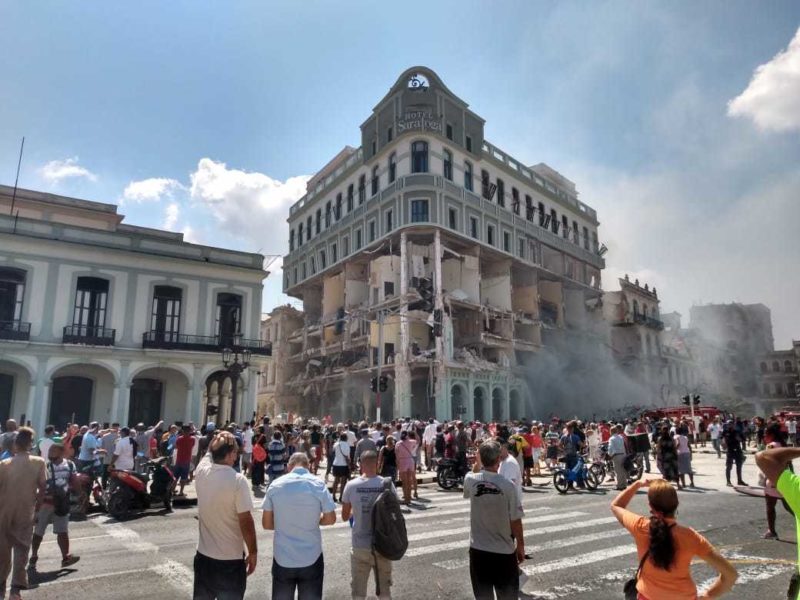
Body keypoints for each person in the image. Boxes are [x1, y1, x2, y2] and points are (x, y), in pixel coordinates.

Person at [611, 479, 737, 599]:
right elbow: (730, 575)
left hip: (647, 596)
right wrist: (709, 595)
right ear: (676, 504)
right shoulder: (691, 537)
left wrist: (638, 484)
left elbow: (616, 505)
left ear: (651, 506)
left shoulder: (640, 526)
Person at [262, 452, 336, 599]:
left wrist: (284, 522)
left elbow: (266, 524)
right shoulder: (318, 484)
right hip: (311, 556)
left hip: (283, 557)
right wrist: (316, 520)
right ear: (308, 466)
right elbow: (331, 519)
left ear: (289, 467)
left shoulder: (275, 485)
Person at [193, 431, 257, 600]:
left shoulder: (201, 473)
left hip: (203, 558)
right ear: (229, 455)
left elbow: (207, 455)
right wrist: (253, 551)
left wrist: (214, 440)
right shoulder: (238, 480)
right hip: (230, 561)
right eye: (235, 452)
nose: (236, 457)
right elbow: (246, 521)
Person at [463, 440, 525, 600]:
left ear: (481, 458)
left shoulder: (470, 480)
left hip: (478, 550)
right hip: (503, 551)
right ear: (498, 459)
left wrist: (478, 461)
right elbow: (516, 521)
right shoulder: (508, 486)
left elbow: (473, 473)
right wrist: (521, 546)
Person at [341, 450, 397, 600]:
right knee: (385, 592)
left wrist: (356, 511)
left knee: (358, 592)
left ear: (360, 465)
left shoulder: (351, 486)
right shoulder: (387, 484)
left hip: (360, 545)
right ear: (377, 464)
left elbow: (344, 516)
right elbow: (395, 513)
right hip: (383, 544)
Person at [0, 427, 46, 600]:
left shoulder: (3, 464)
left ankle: (1, 586)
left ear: (15, 446)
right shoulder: (38, 462)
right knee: (22, 548)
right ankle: (15, 590)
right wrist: (38, 508)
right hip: (25, 511)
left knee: (2, 549)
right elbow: (43, 487)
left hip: (4, 511)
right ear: (31, 444)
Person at [28, 444, 80, 570]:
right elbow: (37, 484)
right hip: (45, 503)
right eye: (50, 450)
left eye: (53, 450)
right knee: (38, 532)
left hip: (61, 503)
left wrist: (75, 492)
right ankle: (34, 555)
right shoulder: (44, 466)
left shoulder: (70, 465)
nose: (50, 452)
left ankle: (65, 557)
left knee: (62, 532)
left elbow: (74, 482)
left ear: (61, 452)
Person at [756, 424, 795, 540]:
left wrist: (763, 479)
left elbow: (768, 465)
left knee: (770, 507)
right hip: (786, 478)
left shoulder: (771, 447)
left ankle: (771, 531)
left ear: (771, 435)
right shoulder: (783, 445)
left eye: (765, 434)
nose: (763, 436)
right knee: (790, 506)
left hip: (773, 480)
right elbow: (789, 463)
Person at [722, 421, 747, 487]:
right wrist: (723, 443)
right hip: (730, 450)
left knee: (739, 466)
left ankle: (740, 481)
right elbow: (722, 438)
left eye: (731, 424)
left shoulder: (737, 431)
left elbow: (744, 439)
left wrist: (739, 439)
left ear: (734, 424)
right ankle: (728, 481)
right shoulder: (725, 431)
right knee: (729, 467)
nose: (730, 425)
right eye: (728, 424)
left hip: (738, 450)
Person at [396, 430, 418, 504]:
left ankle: (406, 497)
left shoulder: (398, 444)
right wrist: (415, 431)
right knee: (409, 481)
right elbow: (418, 441)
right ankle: (409, 497)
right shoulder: (411, 442)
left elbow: (397, 456)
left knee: (404, 482)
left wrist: (398, 466)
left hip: (402, 461)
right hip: (410, 461)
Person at [174, 425, 195, 496]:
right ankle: (181, 492)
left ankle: (173, 490)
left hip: (179, 460)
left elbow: (176, 446)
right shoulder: (192, 439)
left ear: (182, 431)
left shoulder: (179, 439)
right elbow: (192, 445)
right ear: (190, 431)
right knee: (184, 477)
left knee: (175, 477)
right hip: (186, 461)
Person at [331, 432, 351, 503]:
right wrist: (350, 465)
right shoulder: (347, 445)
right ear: (346, 438)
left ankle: (333, 496)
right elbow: (347, 456)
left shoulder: (336, 444)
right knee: (343, 482)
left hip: (336, 463)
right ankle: (341, 496)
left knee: (336, 481)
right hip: (344, 465)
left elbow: (333, 451)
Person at [608, 425, 628, 491]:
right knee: (623, 470)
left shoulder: (611, 438)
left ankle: (619, 485)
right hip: (623, 454)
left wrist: (610, 455)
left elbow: (611, 448)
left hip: (616, 455)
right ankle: (624, 484)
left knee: (618, 471)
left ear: (611, 431)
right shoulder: (620, 437)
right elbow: (623, 446)